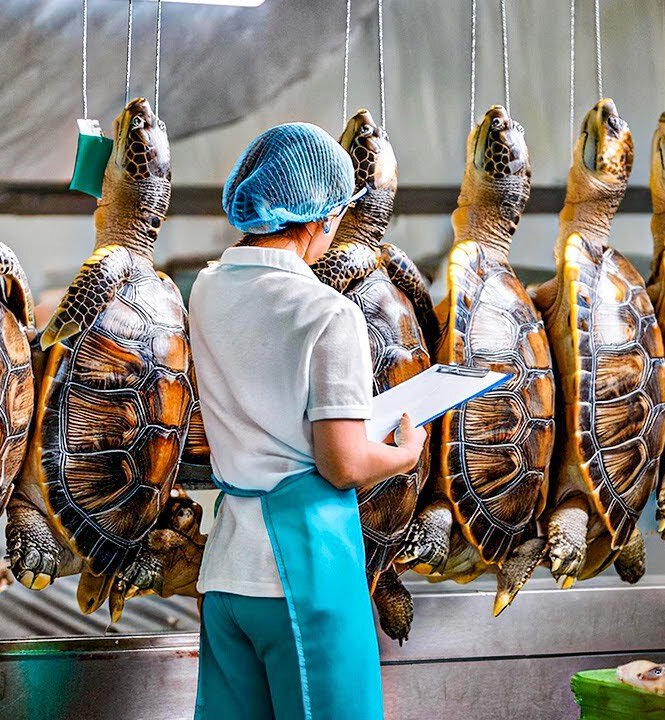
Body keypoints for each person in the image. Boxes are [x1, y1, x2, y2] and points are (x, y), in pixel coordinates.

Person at [191, 123, 427, 720]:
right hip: (304, 572)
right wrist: (403, 451)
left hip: (226, 576)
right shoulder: (328, 314)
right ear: (320, 218)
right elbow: (342, 462)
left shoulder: (207, 290)